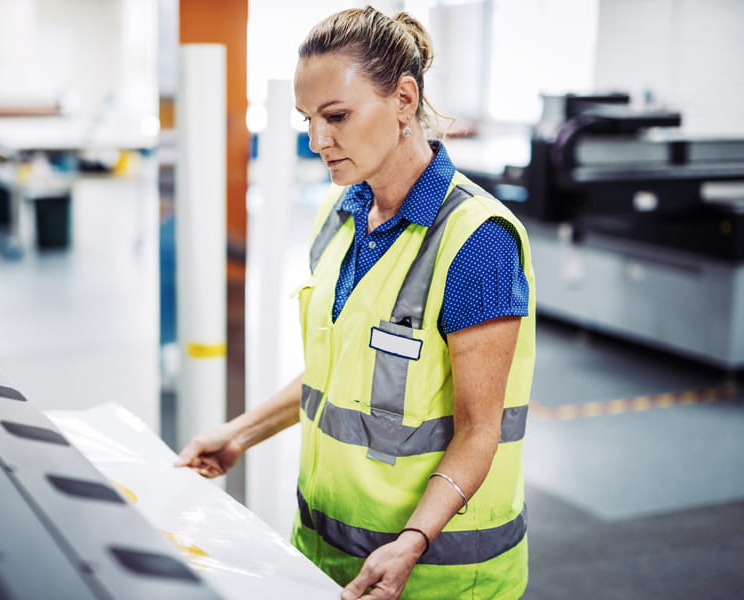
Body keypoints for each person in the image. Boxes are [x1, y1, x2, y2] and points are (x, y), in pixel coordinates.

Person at [175, 6, 535, 599]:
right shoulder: (340, 214)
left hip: (431, 574)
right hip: (326, 554)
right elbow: (337, 375)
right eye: (308, 119)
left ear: (402, 99)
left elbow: (480, 429)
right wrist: (241, 432)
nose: (317, 140)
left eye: (336, 116)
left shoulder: (477, 241)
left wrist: (412, 542)